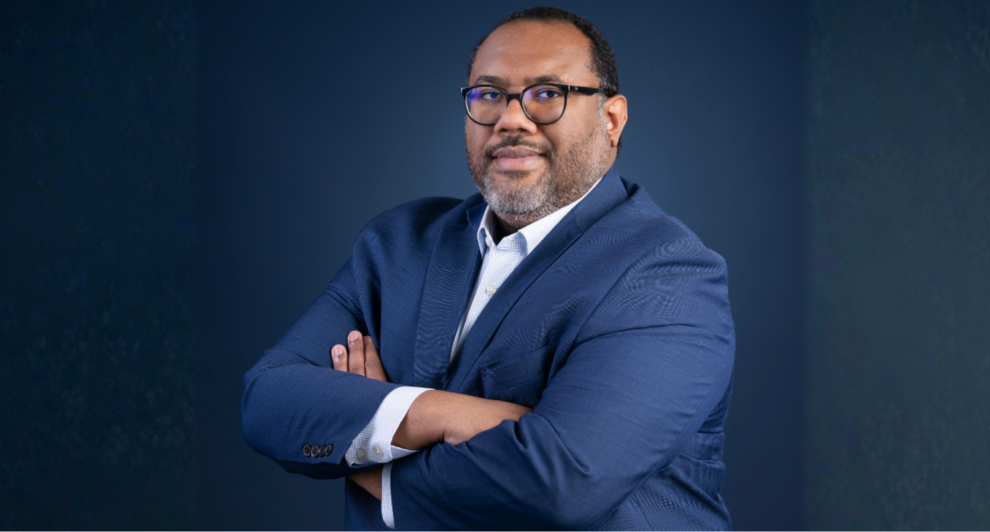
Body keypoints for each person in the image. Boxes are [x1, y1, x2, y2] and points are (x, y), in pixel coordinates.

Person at [242, 6, 735, 530]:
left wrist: (371, 443)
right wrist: (435, 412)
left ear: (610, 121)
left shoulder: (669, 276)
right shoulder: (398, 243)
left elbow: (559, 486)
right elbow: (268, 402)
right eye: (489, 94)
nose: (511, 119)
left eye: (547, 93)